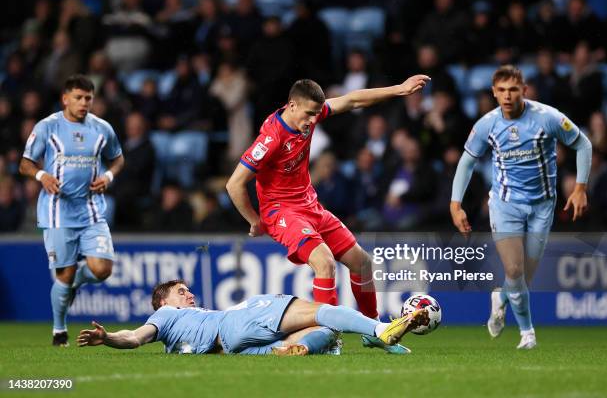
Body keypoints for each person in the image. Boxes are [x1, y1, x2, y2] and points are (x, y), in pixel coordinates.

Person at [226, 75, 429, 354]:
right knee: (325, 264)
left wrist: (399, 89)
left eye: (315, 114)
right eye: (308, 114)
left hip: (310, 206)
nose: (312, 121)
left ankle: (375, 331)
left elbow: (353, 99)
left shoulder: (308, 115)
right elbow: (234, 183)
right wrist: (254, 220)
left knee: (362, 263)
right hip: (282, 211)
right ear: (292, 105)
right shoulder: (271, 137)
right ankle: (327, 338)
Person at [449, 65, 592, 349]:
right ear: (493, 92)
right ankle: (528, 334)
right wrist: (456, 204)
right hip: (505, 206)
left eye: (513, 89)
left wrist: (580, 188)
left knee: (523, 277)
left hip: (542, 206)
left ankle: (499, 297)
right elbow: (467, 162)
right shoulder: (486, 124)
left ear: (524, 90)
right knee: (514, 271)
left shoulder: (547, 117)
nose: (507, 95)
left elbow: (583, 144)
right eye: (501, 90)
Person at [19, 75, 125, 346]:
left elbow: (118, 158)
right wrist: (42, 175)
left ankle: (76, 281)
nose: (84, 103)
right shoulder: (47, 126)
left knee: (102, 269)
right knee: (63, 275)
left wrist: (109, 177)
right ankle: (59, 330)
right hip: (57, 213)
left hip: (91, 211)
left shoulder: (102, 128)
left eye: (88, 98)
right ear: (65, 99)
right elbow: (25, 163)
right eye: (78, 97)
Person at [77, 280, 429, 356]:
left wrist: (110, 339)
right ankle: (380, 330)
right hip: (234, 323)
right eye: (181, 291)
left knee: (324, 332)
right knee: (318, 311)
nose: (189, 294)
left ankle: (300, 348)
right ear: (163, 301)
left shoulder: (176, 339)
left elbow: (137, 339)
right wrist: (108, 337)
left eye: (188, 290)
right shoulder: (165, 314)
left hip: (235, 347)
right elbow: (134, 336)